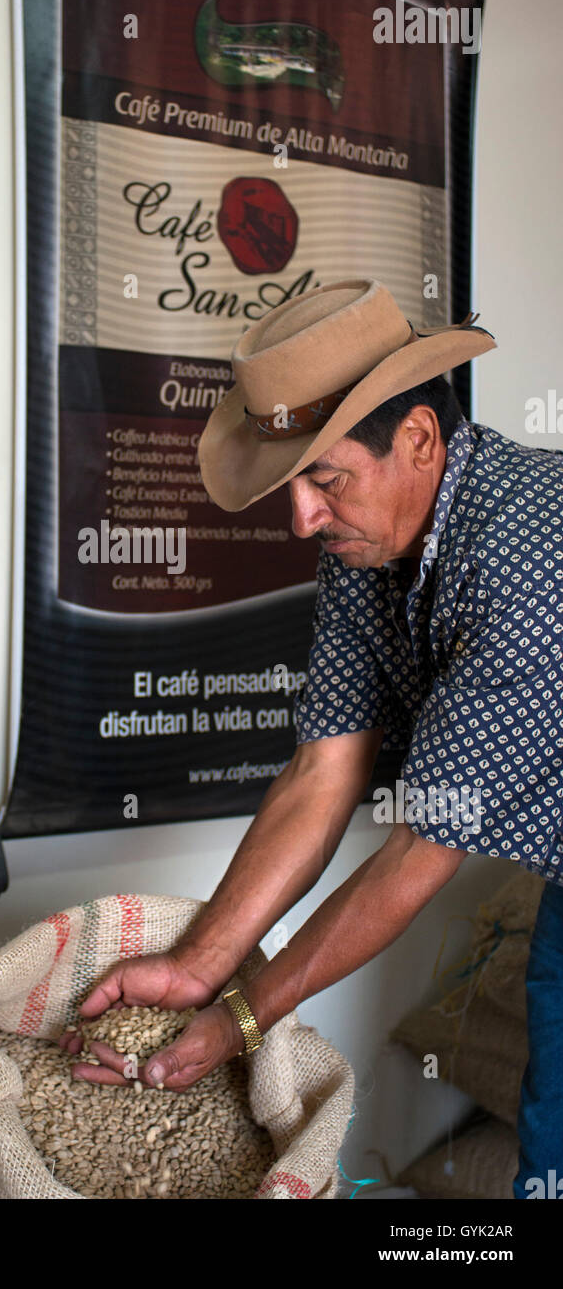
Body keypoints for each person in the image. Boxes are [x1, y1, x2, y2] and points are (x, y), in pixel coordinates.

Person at [59, 279, 563, 1199]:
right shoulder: (368, 542)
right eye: (292, 486)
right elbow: (322, 767)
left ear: (417, 439)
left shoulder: (529, 556)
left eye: (323, 479)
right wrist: (196, 965)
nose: (301, 518)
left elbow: (419, 849)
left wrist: (243, 1022)